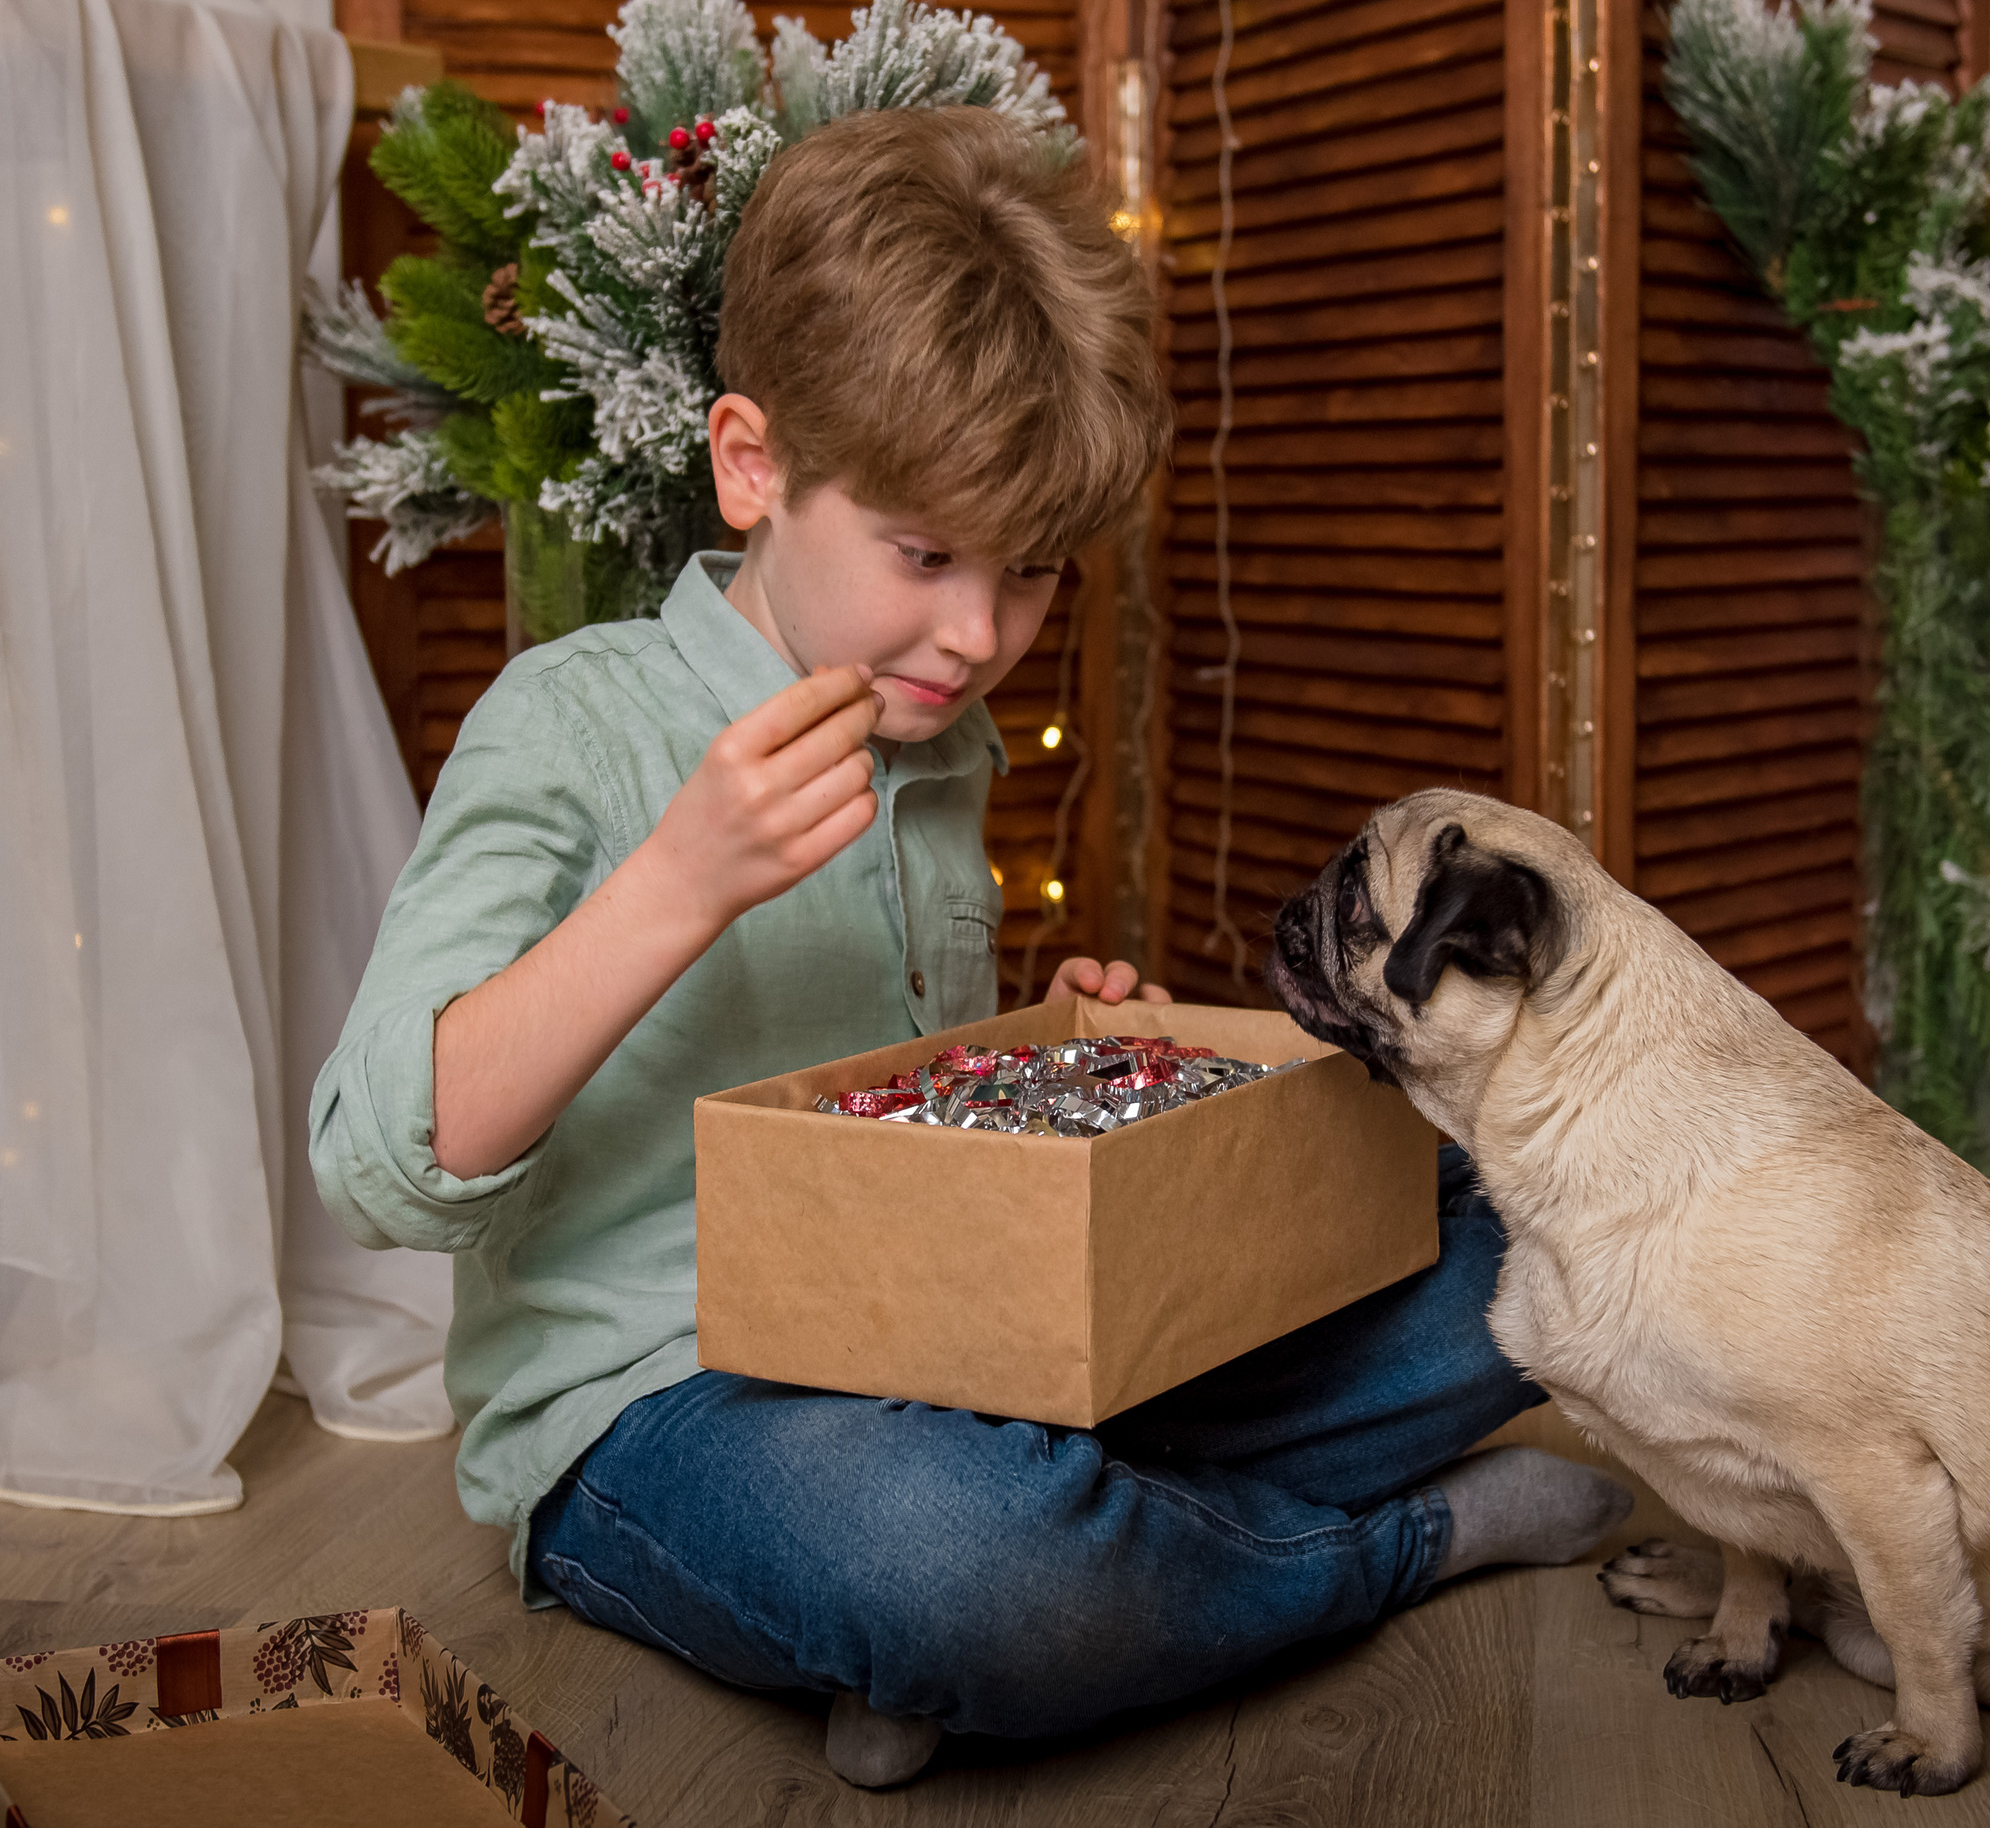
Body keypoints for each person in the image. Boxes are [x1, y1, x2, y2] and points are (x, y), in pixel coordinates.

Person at [311, 104, 1629, 1790]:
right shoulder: (573, 725)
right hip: (666, 1405)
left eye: (1029, 577)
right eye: (926, 556)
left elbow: (875, 1102)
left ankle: (1017, 1602)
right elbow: (377, 1167)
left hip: (974, 1347)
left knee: (1508, 1227)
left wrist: (1049, 1053)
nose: (979, 634)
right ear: (752, 465)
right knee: (955, 1565)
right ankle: (1366, 1552)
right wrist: (675, 885)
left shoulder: (931, 735)